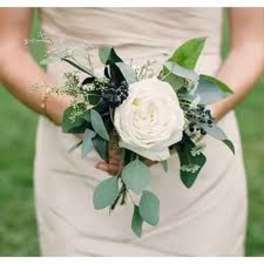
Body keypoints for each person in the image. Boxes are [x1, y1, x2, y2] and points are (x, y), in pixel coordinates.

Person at [0, 7, 263, 256]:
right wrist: (86, 120)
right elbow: (7, 47)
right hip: (79, 167)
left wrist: (186, 124)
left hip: (197, 172)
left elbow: (251, 44)